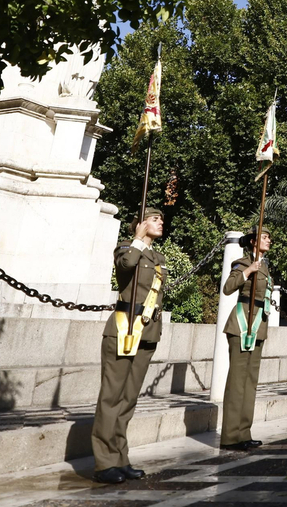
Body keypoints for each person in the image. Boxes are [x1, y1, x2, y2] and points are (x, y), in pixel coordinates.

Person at [92, 207, 167, 484]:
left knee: (128, 399)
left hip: (147, 333)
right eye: (154, 219)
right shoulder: (126, 248)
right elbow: (124, 268)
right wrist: (137, 240)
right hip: (124, 329)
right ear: (141, 223)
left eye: (161, 219)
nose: (161, 222)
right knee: (111, 397)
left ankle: (120, 458)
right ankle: (104, 463)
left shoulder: (158, 257)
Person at [221, 227, 274, 450]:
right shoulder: (243, 263)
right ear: (253, 242)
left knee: (250, 382)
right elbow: (228, 288)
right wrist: (248, 271)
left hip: (259, 324)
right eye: (264, 237)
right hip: (242, 324)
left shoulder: (266, 267)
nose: (269, 240)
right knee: (237, 381)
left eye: (269, 237)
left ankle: (244, 432)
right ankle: (231, 436)